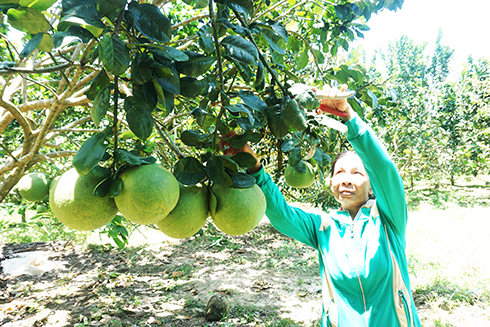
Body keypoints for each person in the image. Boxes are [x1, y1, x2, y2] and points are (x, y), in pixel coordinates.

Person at [221, 84, 422, 327]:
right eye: (340, 172)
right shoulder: (324, 227)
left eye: (357, 173)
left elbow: (384, 169)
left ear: (371, 186)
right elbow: (282, 215)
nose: (347, 179)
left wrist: (350, 119)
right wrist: (254, 167)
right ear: (331, 182)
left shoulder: (388, 219)